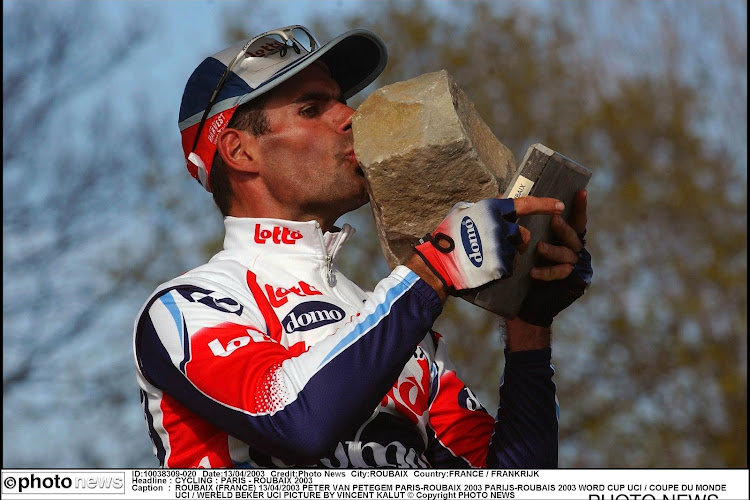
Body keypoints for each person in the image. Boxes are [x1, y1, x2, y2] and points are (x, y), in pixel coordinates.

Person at [133, 25, 592, 469]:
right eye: (312, 109)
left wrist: (529, 326)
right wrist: (434, 269)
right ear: (239, 152)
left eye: (342, 101)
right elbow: (296, 422)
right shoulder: (188, 306)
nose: (351, 117)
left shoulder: (393, 318)